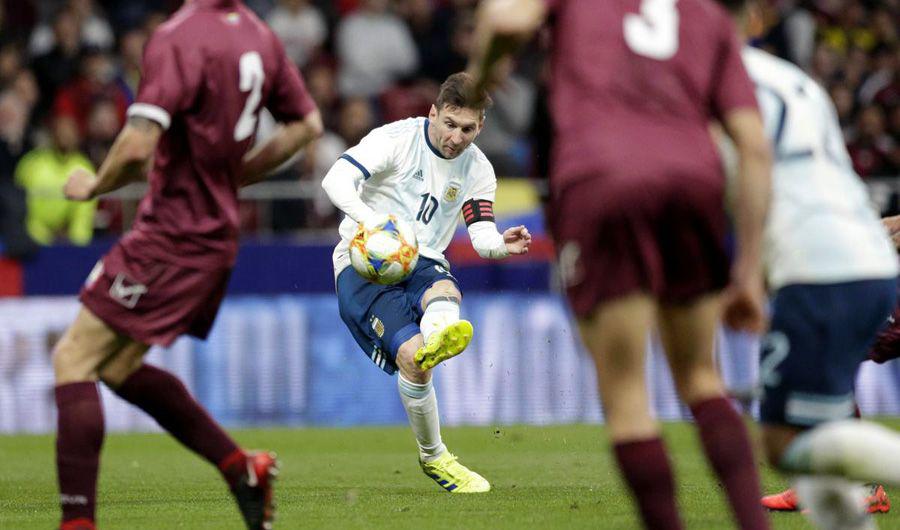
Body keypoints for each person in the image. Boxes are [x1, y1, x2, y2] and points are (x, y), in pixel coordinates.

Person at [469, 1, 773, 529]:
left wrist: (480, 77)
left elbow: (505, 20)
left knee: (629, 394)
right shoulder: (708, 16)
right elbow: (754, 148)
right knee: (703, 377)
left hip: (602, 178)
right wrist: (748, 267)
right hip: (693, 180)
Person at [54, 1, 323, 529]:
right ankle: (240, 468)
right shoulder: (260, 37)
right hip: (216, 234)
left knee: (73, 360)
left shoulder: (179, 36)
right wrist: (232, 179)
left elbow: (136, 146)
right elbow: (307, 126)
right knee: (115, 366)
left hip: (173, 234)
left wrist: (94, 185)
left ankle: (76, 524)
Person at [715, 1, 900, 528]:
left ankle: (866, 483)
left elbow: (745, 165)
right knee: (801, 427)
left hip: (820, 267)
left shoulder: (714, 83)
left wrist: (747, 269)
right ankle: (858, 497)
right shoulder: (795, 82)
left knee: (787, 438)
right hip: (864, 261)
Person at [321, 72, 531, 493]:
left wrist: (502, 245)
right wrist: (374, 224)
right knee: (413, 361)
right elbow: (334, 181)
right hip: (362, 264)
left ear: (481, 127)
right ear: (433, 112)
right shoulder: (396, 139)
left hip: (421, 259)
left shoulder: (478, 169)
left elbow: (482, 235)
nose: (456, 137)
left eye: (467, 129)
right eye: (449, 124)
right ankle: (435, 456)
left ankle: (438, 335)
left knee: (445, 290)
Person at [15, 115, 95, 246]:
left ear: (77, 136)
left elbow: (84, 215)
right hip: (32, 241)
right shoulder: (30, 164)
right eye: (61, 132)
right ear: (52, 134)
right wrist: (44, 236)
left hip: (71, 244)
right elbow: (20, 208)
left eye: (70, 133)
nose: (65, 137)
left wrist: (75, 240)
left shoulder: (85, 168)